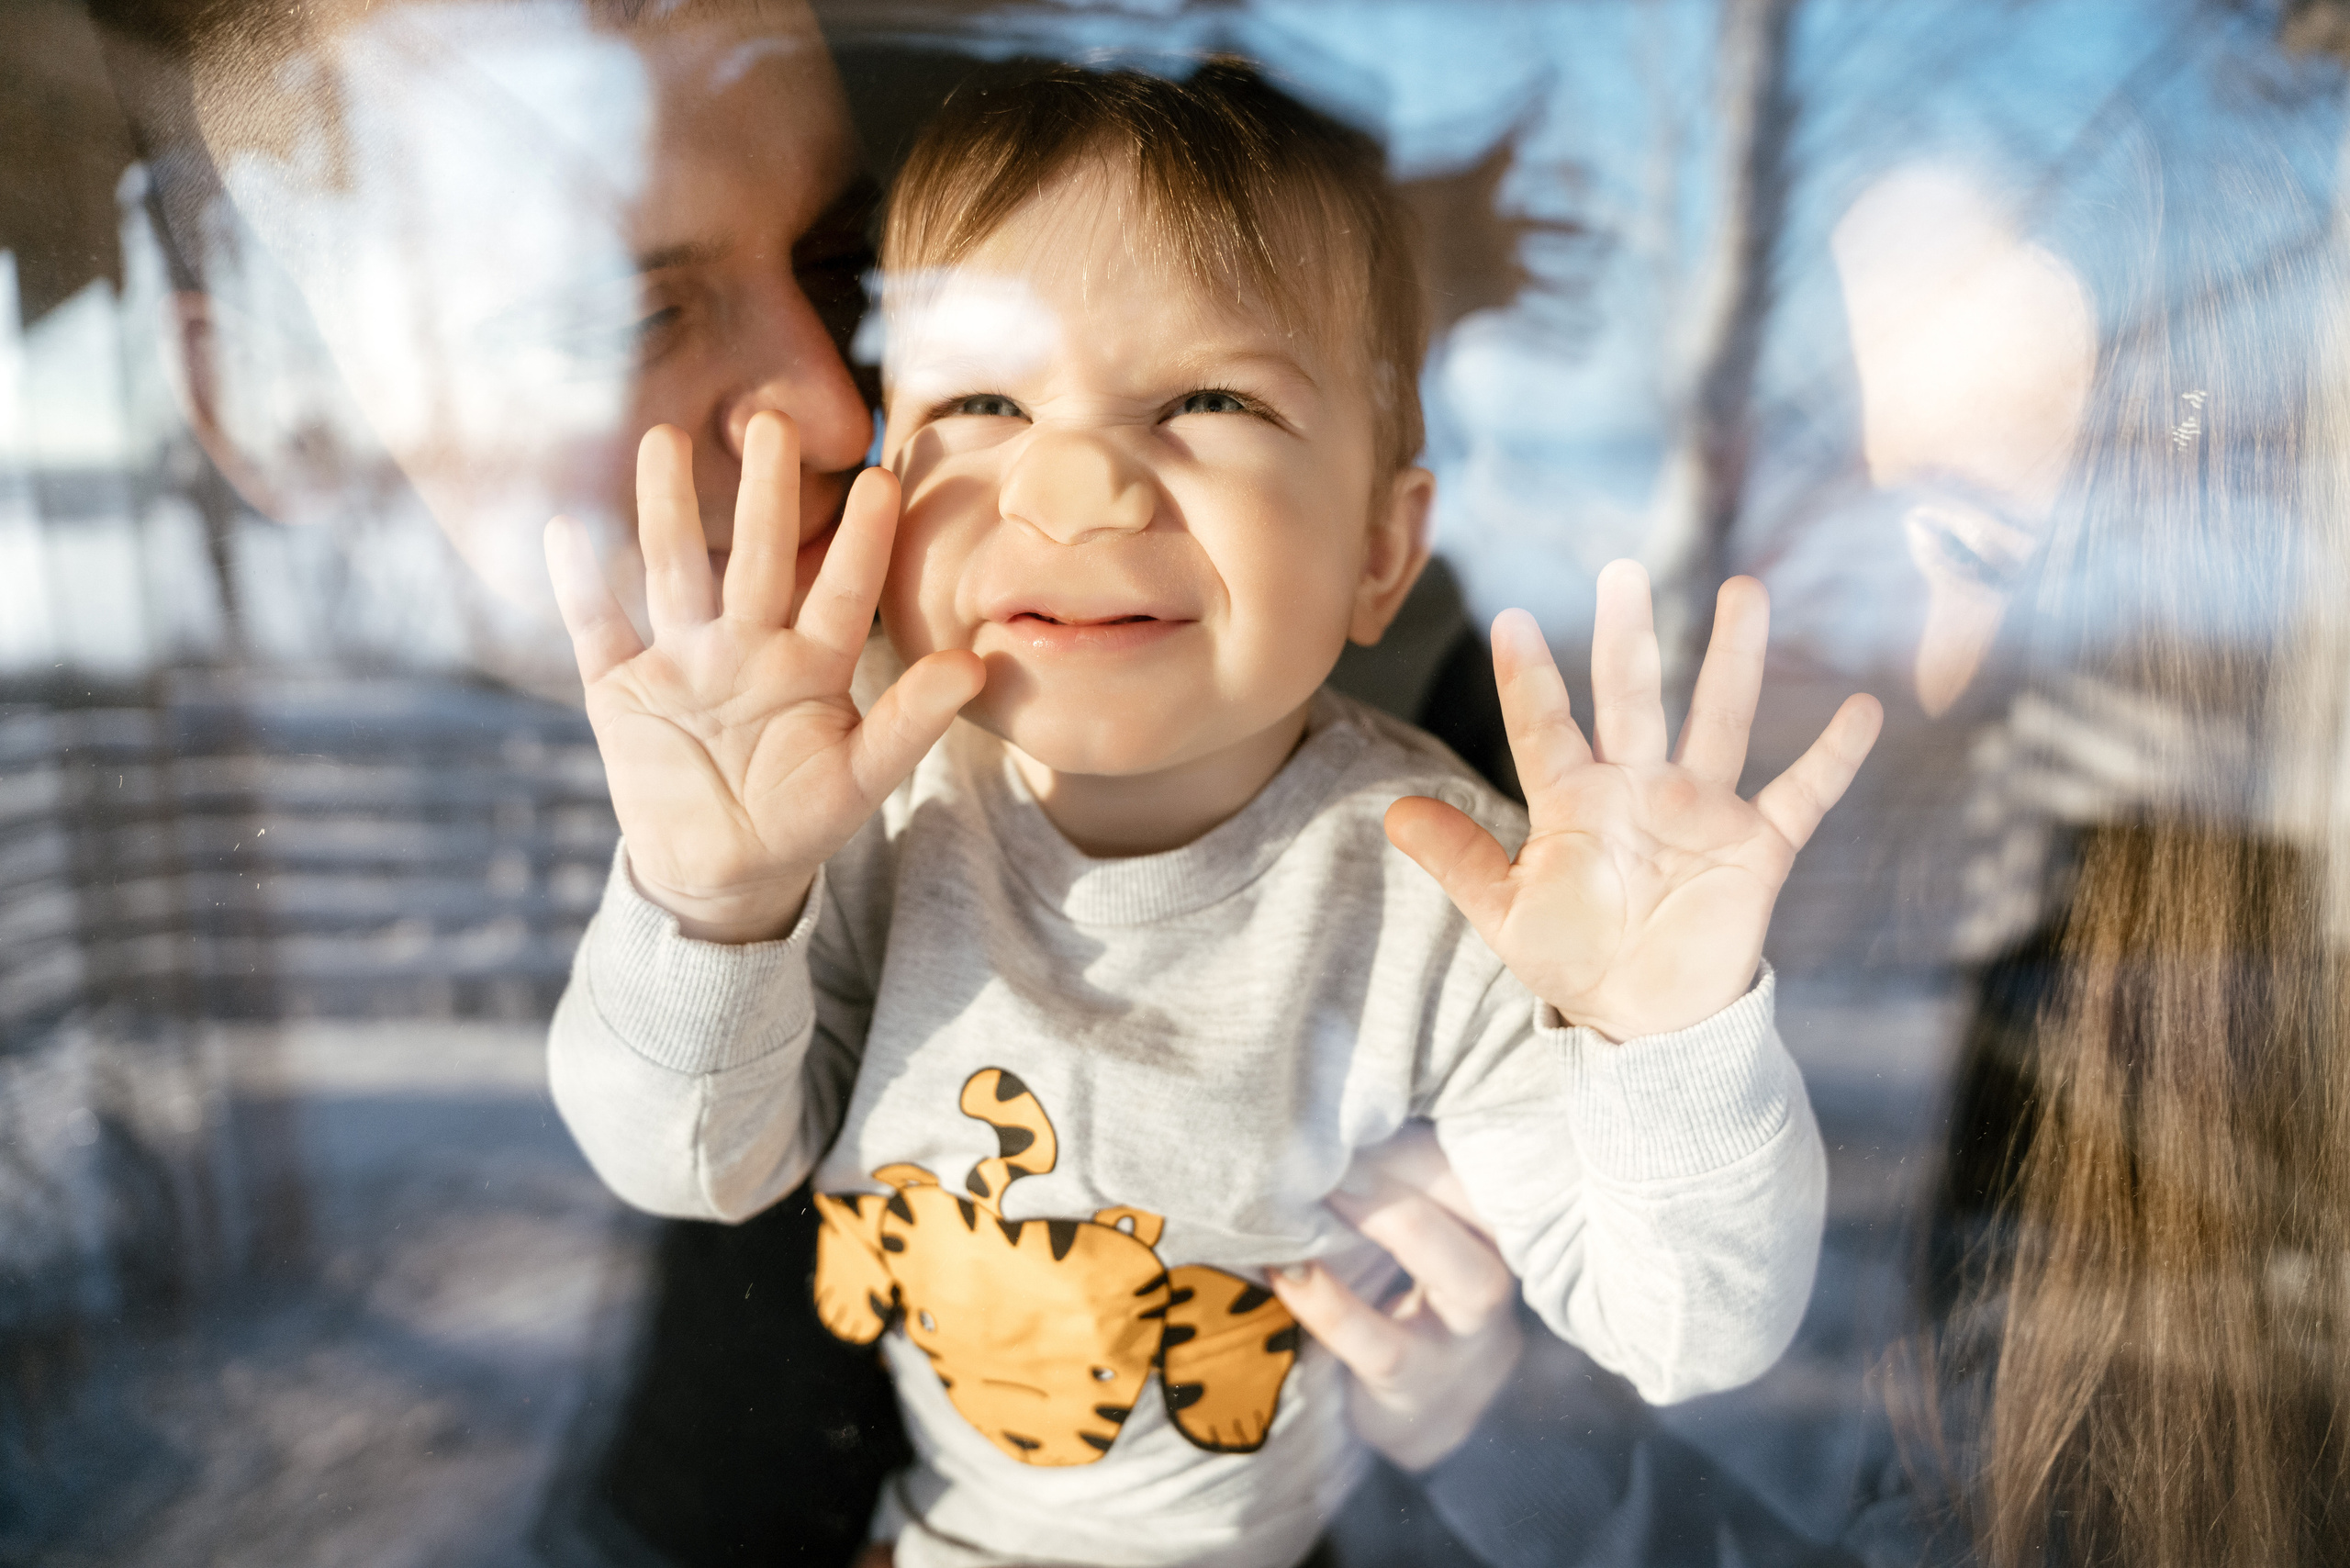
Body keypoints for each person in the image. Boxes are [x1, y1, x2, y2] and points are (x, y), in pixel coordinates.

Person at [542, 62, 1881, 1567]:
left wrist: (1667, 1042)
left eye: (1209, 400)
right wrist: (712, 906)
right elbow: (689, 1162)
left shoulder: (1457, 887)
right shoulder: (854, 800)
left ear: (1382, 547)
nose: (1079, 484)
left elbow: (1687, 1335)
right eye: (984, 400)